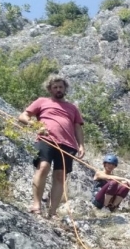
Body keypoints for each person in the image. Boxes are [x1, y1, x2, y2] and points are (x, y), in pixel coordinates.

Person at [18, 75, 85, 219]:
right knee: (43, 167)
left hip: (68, 144)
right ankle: (36, 205)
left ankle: (52, 211)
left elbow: (77, 127)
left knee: (60, 176)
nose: (58, 89)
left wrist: (81, 145)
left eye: (61, 87)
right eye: (55, 87)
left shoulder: (73, 108)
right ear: (50, 89)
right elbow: (23, 117)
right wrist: (35, 125)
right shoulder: (42, 101)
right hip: (46, 139)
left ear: (65, 88)